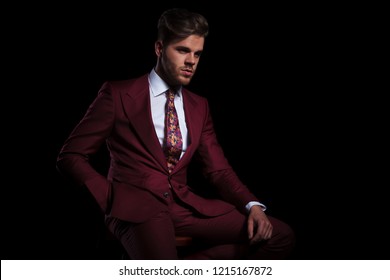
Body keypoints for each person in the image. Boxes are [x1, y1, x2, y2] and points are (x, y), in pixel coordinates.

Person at [56, 8, 295, 260]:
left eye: (198, 53)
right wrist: (111, 198)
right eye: (182, 50)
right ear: (159, 49)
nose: (191, 61)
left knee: (281, 237)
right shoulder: (117, 94)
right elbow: (70, 156)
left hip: (183, 208)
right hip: (135, 209)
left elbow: (218, 170)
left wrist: (252, 205)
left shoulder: (199, 105)